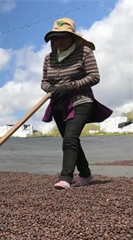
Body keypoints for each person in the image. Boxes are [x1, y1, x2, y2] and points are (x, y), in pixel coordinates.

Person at [41, 18, 112, 190]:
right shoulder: (49, 58)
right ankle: (86, 174)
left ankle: (65, 177)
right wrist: (50, 88)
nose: (59, 41)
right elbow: (43, 82)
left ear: (72, 37)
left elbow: (94, 76)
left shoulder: (84, 52)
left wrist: (69, 86)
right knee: (69, 140)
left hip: (81, 101)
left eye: (63, 36)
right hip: (58, 103)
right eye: (55, 38)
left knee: (70, 138)